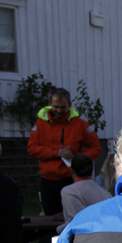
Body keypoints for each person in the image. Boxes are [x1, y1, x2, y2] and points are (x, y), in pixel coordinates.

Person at [27, 88, 102, 216]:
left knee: (75, 216)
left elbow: (96, 147)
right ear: (50, 104)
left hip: (72, 179)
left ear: (70, 105)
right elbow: (32, 149)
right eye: (56, 107)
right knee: (50, 219)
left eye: (63, 107)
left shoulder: (80, 124)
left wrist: (80, 159)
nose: (59, 110)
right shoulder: (41, 124)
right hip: (48, 181)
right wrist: (56, 153)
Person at [58, 153, 111, 232]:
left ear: (71, 171)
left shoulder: (69, 192)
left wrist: (58, 229)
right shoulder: (106, 193)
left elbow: (75, 222)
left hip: (87, 235)